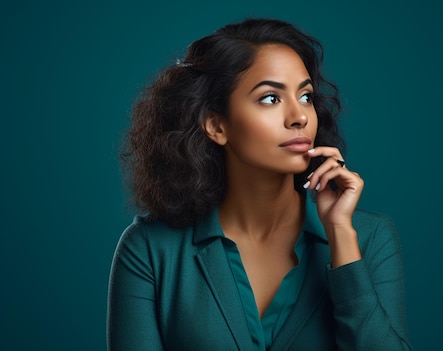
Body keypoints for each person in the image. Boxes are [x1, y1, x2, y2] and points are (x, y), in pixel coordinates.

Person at [107, 18, 412, 350]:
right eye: (270, 98)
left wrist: (340, 236)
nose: (300, 117)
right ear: (216, 125)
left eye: (306, 96)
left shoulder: (370, 239)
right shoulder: (150, 250)